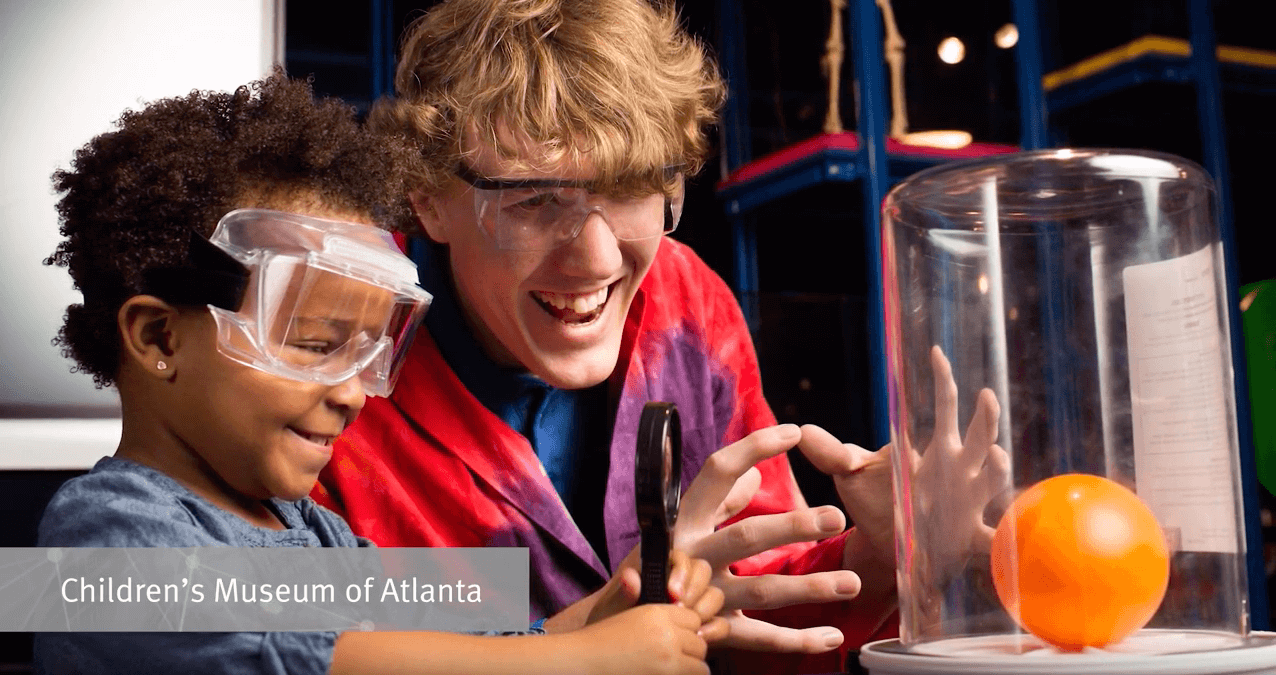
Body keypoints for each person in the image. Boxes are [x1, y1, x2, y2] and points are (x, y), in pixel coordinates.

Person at [316, 1, 1008, 673]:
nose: (594, 258)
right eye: (532, 200)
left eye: (630, 188)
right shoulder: (323, 343)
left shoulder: (686, 298)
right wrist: (565, 640)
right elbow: (240, 602)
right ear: (428, 198)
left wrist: (880, 555)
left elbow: (752, 596)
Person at [36, 73, 726, 675]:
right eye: (312, 344)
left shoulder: (317, 533)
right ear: (159, 336)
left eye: (368, 354)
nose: (351, 394)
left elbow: (486, 646)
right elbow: (297, 661)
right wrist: (583, 661)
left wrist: (607, 609)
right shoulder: (96, 534)